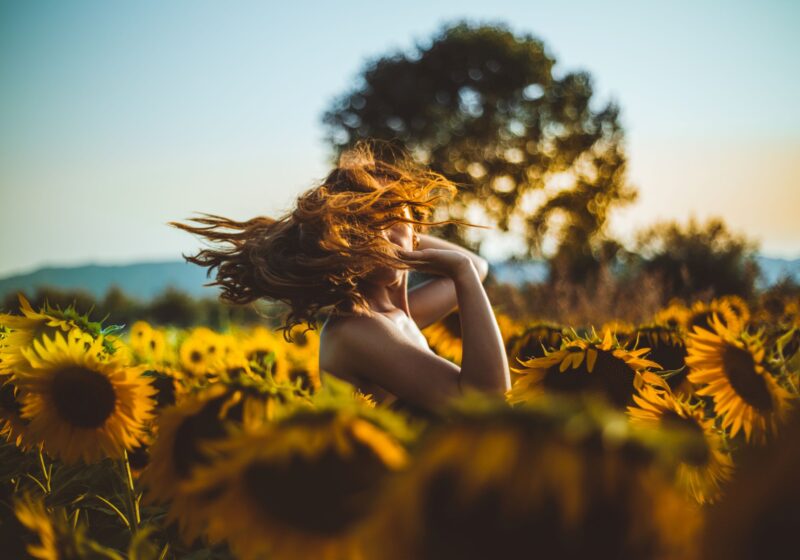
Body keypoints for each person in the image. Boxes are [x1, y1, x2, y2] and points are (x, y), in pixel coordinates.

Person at [169, 141, 510, 414]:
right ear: (342, 242)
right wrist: (456, 270)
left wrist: (415, 240)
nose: (382, 233)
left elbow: (477, 266)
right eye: (364, 223)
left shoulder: (395, 316)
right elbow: (486, 401)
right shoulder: (358, 329)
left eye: (391, 214)